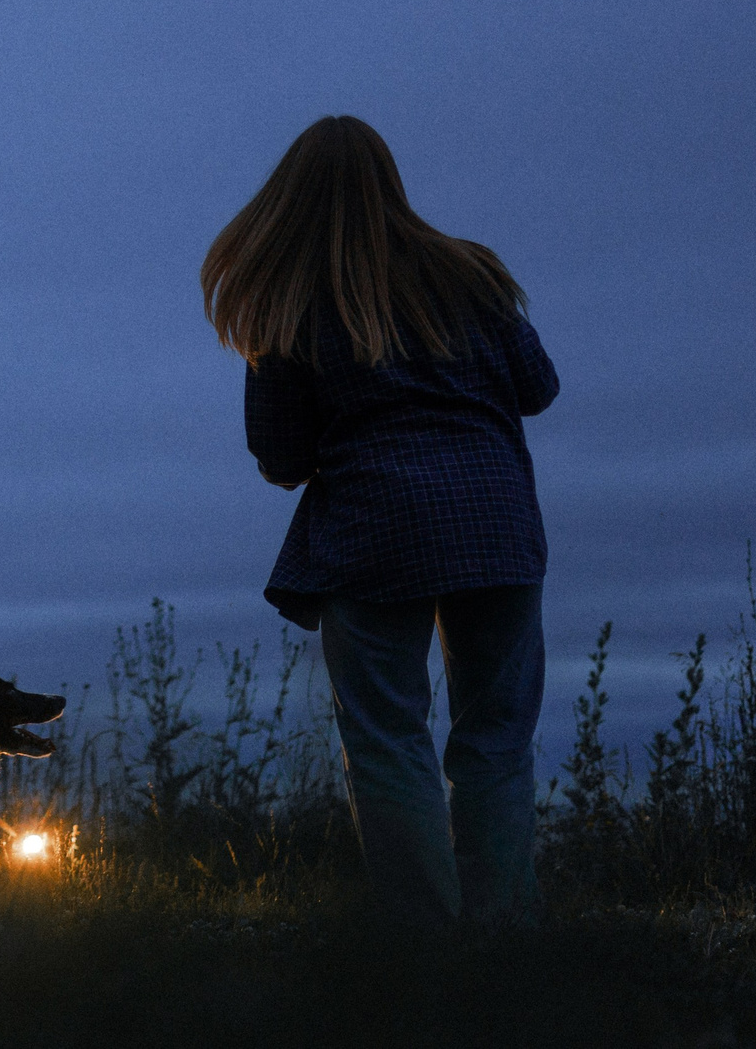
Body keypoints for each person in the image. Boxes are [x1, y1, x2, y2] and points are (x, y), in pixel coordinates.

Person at [200, 114, 559, 930]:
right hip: (496, 528)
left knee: (389, 742)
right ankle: (507, 947)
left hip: (375, 537)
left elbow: (281, 457)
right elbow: (538, 386)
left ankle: (425, 953)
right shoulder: (472, 273)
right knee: (497, 742)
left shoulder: (291, 306)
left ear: (289, 200)